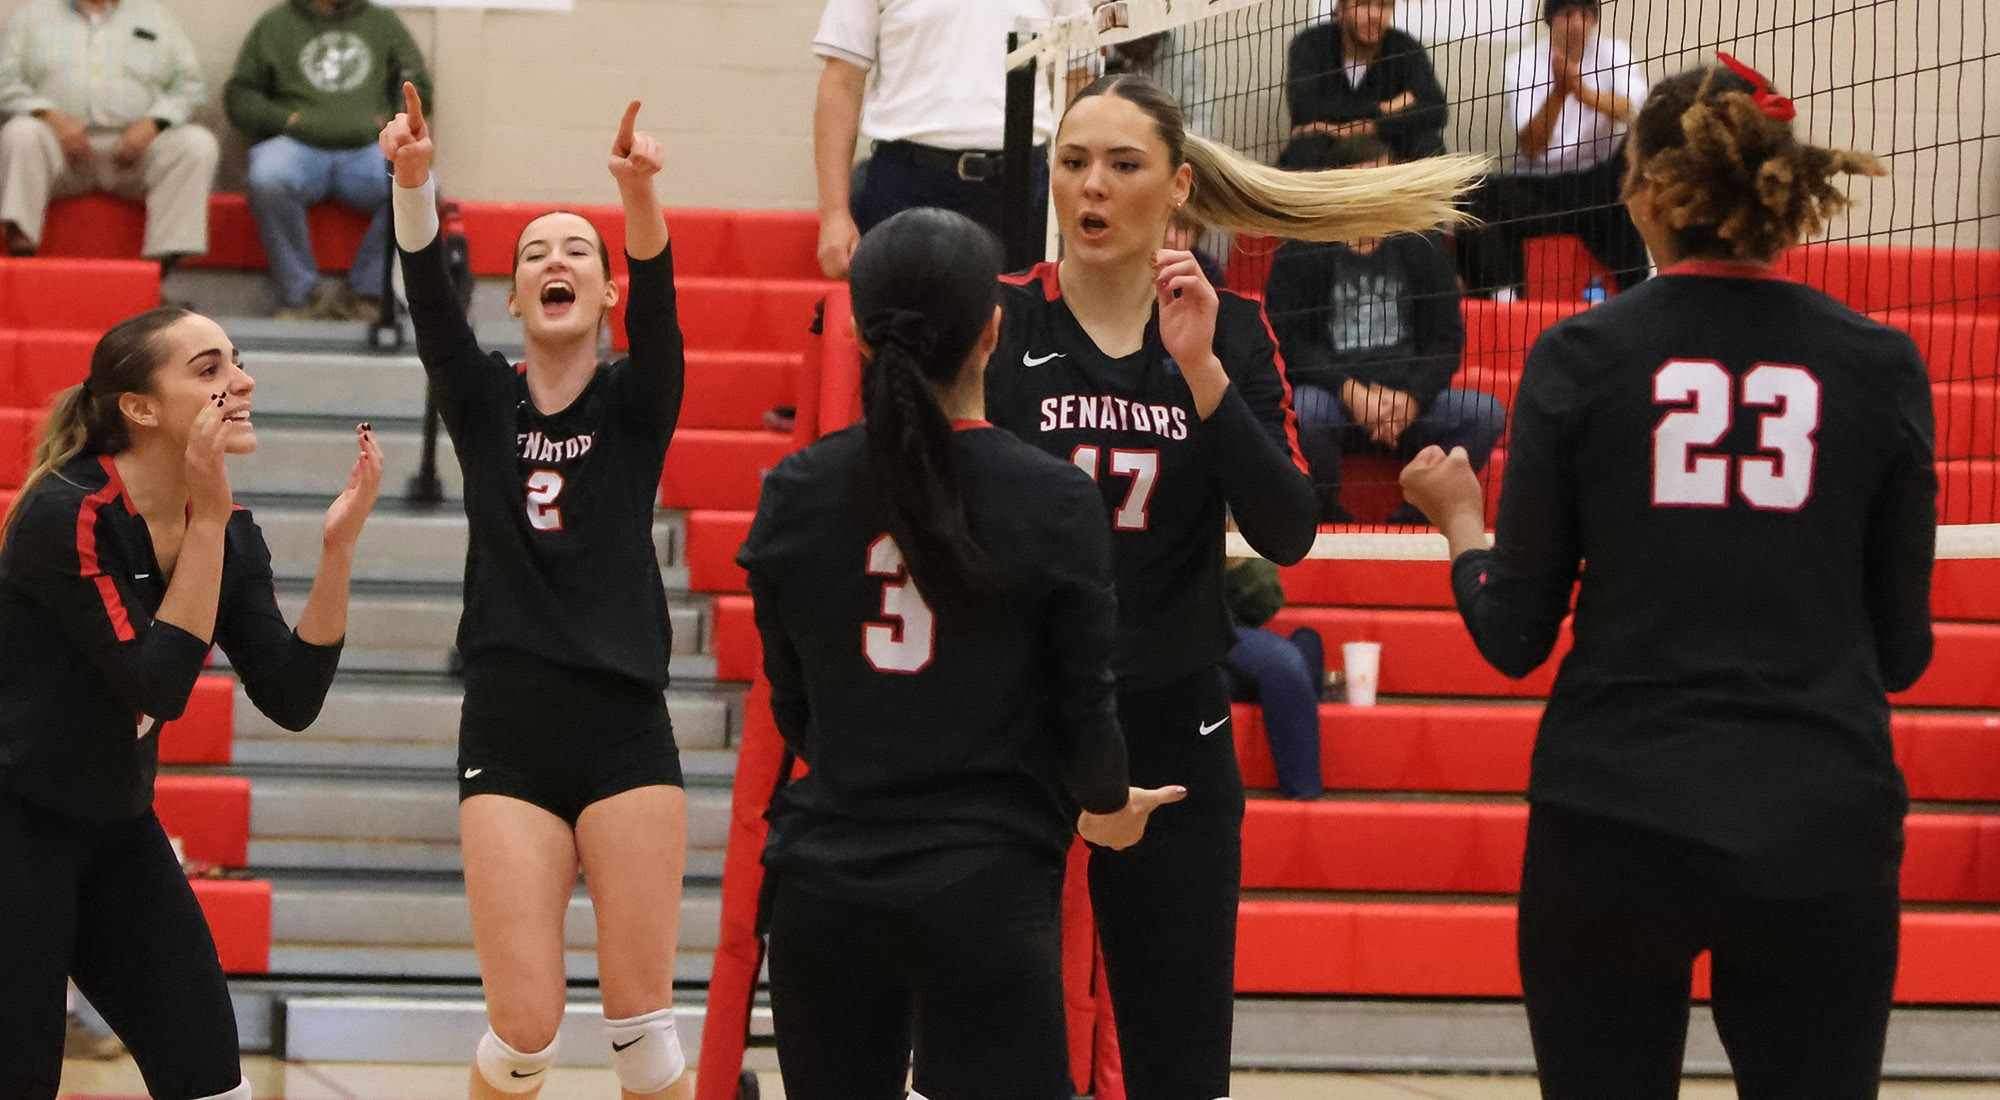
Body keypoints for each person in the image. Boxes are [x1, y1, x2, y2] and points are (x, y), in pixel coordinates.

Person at [1399, 56, 1931, 1100]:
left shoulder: (1582, 354)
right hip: (1818, 827)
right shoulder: (1879, 363)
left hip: (1613, 821)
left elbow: (1512, 634)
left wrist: (1459, 524)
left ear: (1641, 189)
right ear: (1779, 184)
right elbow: (1903, 652)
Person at [984, 73, 1483, 1098]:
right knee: (994, 1055)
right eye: (1073, 162)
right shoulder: (996, 325)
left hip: (1172, 726)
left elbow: (1290, 530)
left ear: (1173, 189)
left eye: (1122, 165)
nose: (1091, 185)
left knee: (1178, 1062)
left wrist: (1201, 369)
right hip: (1014, 727)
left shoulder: (1236, 328)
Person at [741, 206, 1181, 1100]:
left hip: (824, 892)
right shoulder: (1054, 501)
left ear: (861, 337)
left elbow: (796, 708)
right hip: (984, 895)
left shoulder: (795, 492)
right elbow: (1086, 716)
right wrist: (1106, 805)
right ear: (993, 331)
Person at [379, 86, 695, 1100]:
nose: (553, 261)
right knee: (523, 1032)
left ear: (604, 295)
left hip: (624, 728)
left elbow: (660, 300)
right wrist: (413, 184)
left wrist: (636, 194)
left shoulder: (637, 402)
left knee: (644, 1035)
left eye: (576, 252)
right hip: (510, 728)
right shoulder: (481, 404)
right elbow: (428, 302)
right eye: (532, 254)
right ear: (511, 300)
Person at [0, 306, 382, 1099]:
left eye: (235, 362)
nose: (241, 382)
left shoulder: (229, 531)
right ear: (139, 409)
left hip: (115, 824)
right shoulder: (68, 514)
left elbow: (292, 694)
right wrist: (207, 519)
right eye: (208, 370)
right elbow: (158, 685)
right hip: (16, 825)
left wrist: (337, 553)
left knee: (213, 1082)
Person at [1265, 134, 1505, 524]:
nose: (1375, 193)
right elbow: (1288, 342)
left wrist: (1411, 397)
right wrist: (1350, 390)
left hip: (1408, 407)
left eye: (1383, 181)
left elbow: (1446, 341)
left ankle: (1413, 520)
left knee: (1485, 414)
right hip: (1334, 401)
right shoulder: (1302, 247)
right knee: (1305, 411)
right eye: (1362, 182)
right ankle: (1323, 518)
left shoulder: (1422, 242)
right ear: (1337, 186)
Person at [809, 0, 1088, 279]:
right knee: (904, 317)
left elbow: (1077, 72)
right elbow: (842, 81)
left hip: (1024, 184)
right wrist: (834, 214)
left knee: (1021, 318)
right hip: (907, 184)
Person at [225, 0, 432, 321]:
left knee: (420, 184)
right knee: (267, 175)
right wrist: (285, 120)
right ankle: (302, 297)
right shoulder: (275, 24)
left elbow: (418, 87)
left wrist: (394, 121)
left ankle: (366, 294)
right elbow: (240, 96)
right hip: (296, 146)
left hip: (368, 148)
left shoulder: (382, 22)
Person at [1456, 0, 1651, 299]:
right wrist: (1559, 93)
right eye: (1568, 14)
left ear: (1595, 20)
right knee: (1472, 195)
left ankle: (1640, 294)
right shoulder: (1522, 64)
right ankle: (1504, 299)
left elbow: (1634, 110)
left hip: (1598, 183)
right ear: (1550, 20)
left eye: (1586, 15)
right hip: (1541, 187)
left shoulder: (1615, 53)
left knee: (1635, 166)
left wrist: (1583, 93)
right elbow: (1532, 146)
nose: (1577, 24)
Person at [0, 0, 218, 264]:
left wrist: (154, 123)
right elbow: (5, 81)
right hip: (58, 152)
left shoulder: (156, 18)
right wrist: (48, 116)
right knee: (20, 133)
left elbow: (190, 85)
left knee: (197, 144)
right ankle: (22, 264)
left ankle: (157, 280)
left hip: (134, 152)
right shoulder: (31, 17)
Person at [1285, 0, 1449, 162]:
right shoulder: (1311, 44)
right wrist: (1384, 108)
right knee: (1305, 144)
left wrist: (1359, 128)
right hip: (1328, 145)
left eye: (1384, 6)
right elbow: (1304, 107)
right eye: (1362, 4)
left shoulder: (1404, 46)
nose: (1374, 15)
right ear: (1341, 9)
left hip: (1387, 140)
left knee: (1428, 144)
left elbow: (1436, 109)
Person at [1222, 556, 1325, 801]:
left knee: (1308, 641)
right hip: (1200, 635)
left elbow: (1265, 604)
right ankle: (1304, 794)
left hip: (1237, 640)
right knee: (1282, 661)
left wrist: (1238, 563)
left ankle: (1277, 695)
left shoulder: (1237, 522)